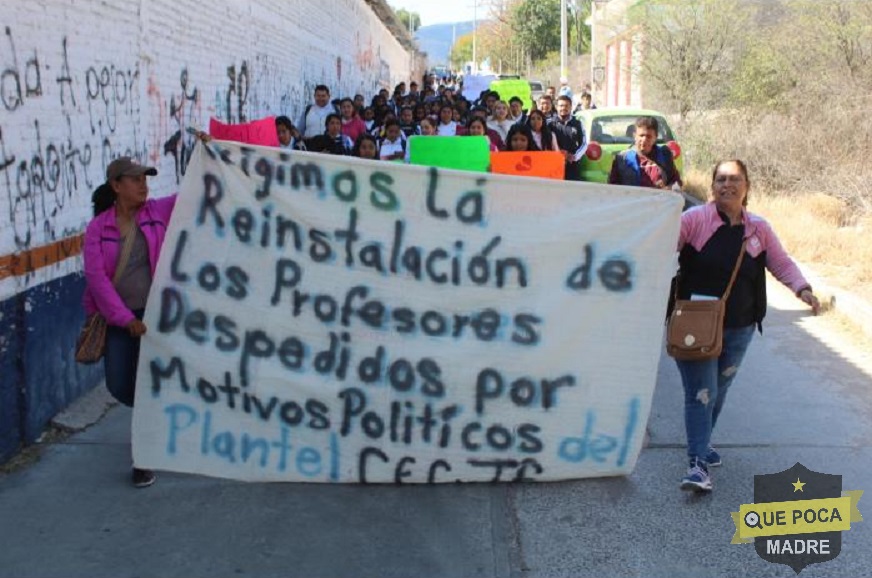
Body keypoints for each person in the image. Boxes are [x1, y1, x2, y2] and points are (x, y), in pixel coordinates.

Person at [673, 159, 821, 493]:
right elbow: (660, 248)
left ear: (747, 186)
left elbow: (780, 262)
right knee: (701, 393)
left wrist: (802, 287)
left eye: (734, 179)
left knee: (719, 391)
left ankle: (702, 441)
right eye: (721, 179)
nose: (727, 184)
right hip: (695, 323)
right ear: (712, 186)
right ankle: (697, 463)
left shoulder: (759, 228)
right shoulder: (693, 221)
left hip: (740, 326)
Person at [82, 157, 177, 488]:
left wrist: (210, 155)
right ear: (116, 185)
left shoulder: (157, 212)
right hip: (120, 321)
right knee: (121, 384)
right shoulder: (99, 229)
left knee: (148, 385)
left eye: (145, 178)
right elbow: (97, 280)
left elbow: (197, 193)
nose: (143, 184)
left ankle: (144, 455)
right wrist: (124, 319)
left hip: (157, 318)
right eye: (135, 179)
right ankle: (152, 425)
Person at [608, 116, 681, 190]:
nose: (644, 140)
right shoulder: (622, 159)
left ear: (655, 137)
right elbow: (613, 189)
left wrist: (667, 188)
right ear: (635, 136)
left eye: (649, 136)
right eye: (641, 135)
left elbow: (677, 183)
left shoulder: (664, 156)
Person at [549, 95, 587, 181]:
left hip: (572, 165)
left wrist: (574, 156)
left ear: (571, 107)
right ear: (556, 107)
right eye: (561, 106)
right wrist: (558, 154)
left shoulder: (578, 123)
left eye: (566, 106)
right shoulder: (549, 124)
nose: (563, 108)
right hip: (554, 165)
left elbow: (584, 143)